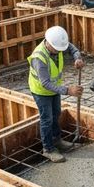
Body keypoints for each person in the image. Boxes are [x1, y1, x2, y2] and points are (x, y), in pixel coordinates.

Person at [27, 25, 84, 163]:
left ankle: (56, 140)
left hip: (54, 89)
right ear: (49, 43)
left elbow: (72, 49)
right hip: (41, 91)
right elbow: (45, 83)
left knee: (56, 113)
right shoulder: (39, 58)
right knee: (47, 119)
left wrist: (77, 58)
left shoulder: (57, 44)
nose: (59, 51)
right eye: (57, 49)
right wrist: (68, 90)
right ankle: (48, 149)